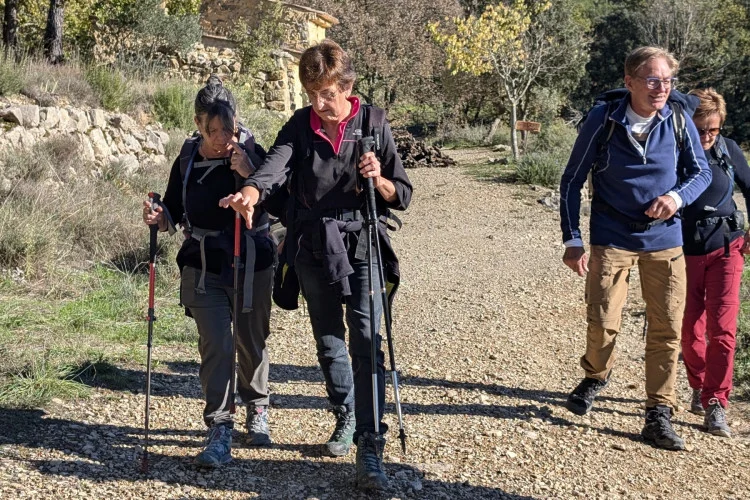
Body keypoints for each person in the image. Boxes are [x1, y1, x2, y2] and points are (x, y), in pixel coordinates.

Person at [219, 39, 412, 490]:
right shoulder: (300, 126)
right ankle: (346, 412)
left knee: (367, 339)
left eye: (327, 94)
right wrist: (250, 192)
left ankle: (370, 445)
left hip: (362, 242)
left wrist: (379, 179)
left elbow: (402, 194)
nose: (319, 104)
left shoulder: (373, 124)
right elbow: (274, 167)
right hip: (312, 246)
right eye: (312, 94)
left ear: (347, 87)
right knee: (328, 340)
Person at [559, 46, 712, 450]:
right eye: (652, 80)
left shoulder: (677, 118)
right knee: (602, 318)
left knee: (666, 327)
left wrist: (676, 198)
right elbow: (572, 179)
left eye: (668, 81)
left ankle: (659, 412)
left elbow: (701, 172)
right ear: (629, 82)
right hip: (612, 236)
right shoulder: (603, 119)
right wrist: (573, 239)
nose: (662, 88)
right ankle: (596, 375)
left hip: (665, 240)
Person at [142, 75, 275, 467]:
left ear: (236, 121)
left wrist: (251, 171)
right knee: (216, 344)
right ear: (198, 124)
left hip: (251, 263)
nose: (219, 139)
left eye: (226, 129)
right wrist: (158, 217)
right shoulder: (187, 158)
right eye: (211, 130)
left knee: (251, 341)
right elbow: (173, 209)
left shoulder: (253, 152)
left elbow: (278, 203)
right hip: (202, 265)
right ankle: (219, 427)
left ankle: (257, 405)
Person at [680, 88, 750, 438]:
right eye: (701, 129)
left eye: (714, 129)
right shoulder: (674, 150)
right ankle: (699, 384)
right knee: (689, 330)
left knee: (722, 331)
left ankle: (716, 402)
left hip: (726, 248)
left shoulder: (729, 149)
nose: (707, 136)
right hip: (682, 252)